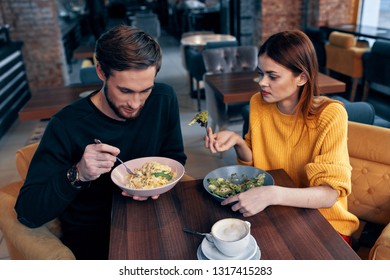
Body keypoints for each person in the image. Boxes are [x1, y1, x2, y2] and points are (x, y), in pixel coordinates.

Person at [15, 25, 187, 259]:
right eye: (125, 91)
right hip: (96, 235)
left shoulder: (164, 99)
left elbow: (174, 157)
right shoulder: (66, 124)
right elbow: (28, 212)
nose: (136, 103)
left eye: (145, 90)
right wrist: (78, 173)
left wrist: (159, 182)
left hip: (153, 214)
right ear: (101, 72)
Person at [205, 30, 359, 245]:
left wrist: (272, 195)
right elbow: (255, 158)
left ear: (302, 77)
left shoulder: (330, 115)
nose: (262, 82)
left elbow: (329, 195)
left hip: (325, 222)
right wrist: (238, 142)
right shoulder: (259, 103)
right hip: (276, 212)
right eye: (260, 73)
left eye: (273, 76)